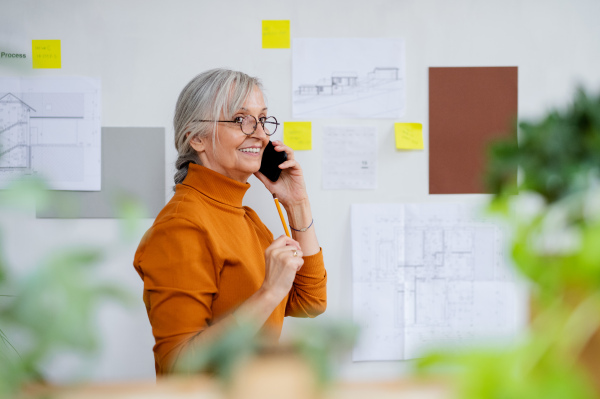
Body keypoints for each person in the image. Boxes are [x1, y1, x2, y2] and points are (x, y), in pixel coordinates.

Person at [133, 68, 327, 375]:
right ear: (196, 137)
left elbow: (310, 302)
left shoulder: (245, 218)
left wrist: (297, 202)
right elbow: (178, 365)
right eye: (241, 120)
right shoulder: (180, 226)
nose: (261, 134)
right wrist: (269, 292)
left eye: (262, 119)